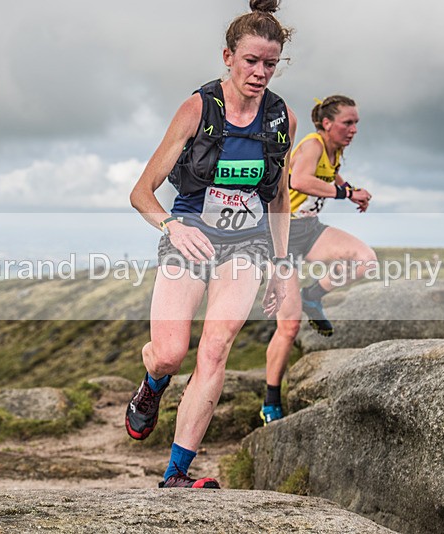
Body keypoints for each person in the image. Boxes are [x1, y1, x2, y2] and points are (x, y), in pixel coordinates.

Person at [125, 0, 296, 488]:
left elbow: (280, 196)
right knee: (170, 353)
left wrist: (281, 267)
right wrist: (170, 227)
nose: (260, 72)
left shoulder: (281, 118)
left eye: (270, 63)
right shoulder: (198, 108)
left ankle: (176, 474)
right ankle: (152, 384)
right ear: (228, 56)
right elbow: (142, 192)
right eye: (251, 61)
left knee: (216, 349)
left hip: (247, 244)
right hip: (190, 237)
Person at [260, 95, 377, 424]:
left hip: (308, 229)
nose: (353, 129)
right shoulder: (312, 143)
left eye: (356, 123)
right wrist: (345, 194)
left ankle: (314, 295)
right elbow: (299, 181)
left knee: (364, 260)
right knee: (289, 325)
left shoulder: (334, 148)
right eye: (347, 123)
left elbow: (331, 176)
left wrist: (351, 189)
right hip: (280, 233)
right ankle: (270, 400)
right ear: (327, 124)